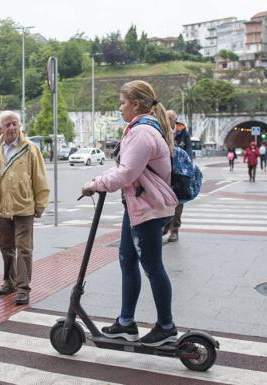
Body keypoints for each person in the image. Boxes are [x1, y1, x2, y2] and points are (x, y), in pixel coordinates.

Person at [81, 80, 179, 346]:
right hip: (139, 206)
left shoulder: (142, 132)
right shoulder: (139, 129)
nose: (120, 106)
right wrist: (100, 178)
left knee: (153, 267)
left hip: (148, 209)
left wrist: (95, 185)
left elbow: (127, 173)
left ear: (136, 104)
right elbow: (128, 168)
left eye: (123, 102)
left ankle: (166, 327)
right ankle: (126, 323)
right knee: (127, 260)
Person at [0, 110, 50, 305]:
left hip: (24, 208)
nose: (12, 127)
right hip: (1, 208)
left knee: (24, 249)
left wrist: (40, 204)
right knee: (6, 248)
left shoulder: (30, 149)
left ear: (20, 126)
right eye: (8, 124)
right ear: (0, 129)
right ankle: (9, 282)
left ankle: (23, 288)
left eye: (15, 123)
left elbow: (40, 178)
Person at [163, 110, 192, 243]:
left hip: (180, 172)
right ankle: (165, 225)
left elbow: (189, 151)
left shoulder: (183, 132)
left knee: (178, 201)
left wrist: (188, 167)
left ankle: (174, 230)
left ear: (175, 119)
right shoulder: (161, 130)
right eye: (165, 117)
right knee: (164, 200)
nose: (167, 119)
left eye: (170, 117)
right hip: (165, 170)